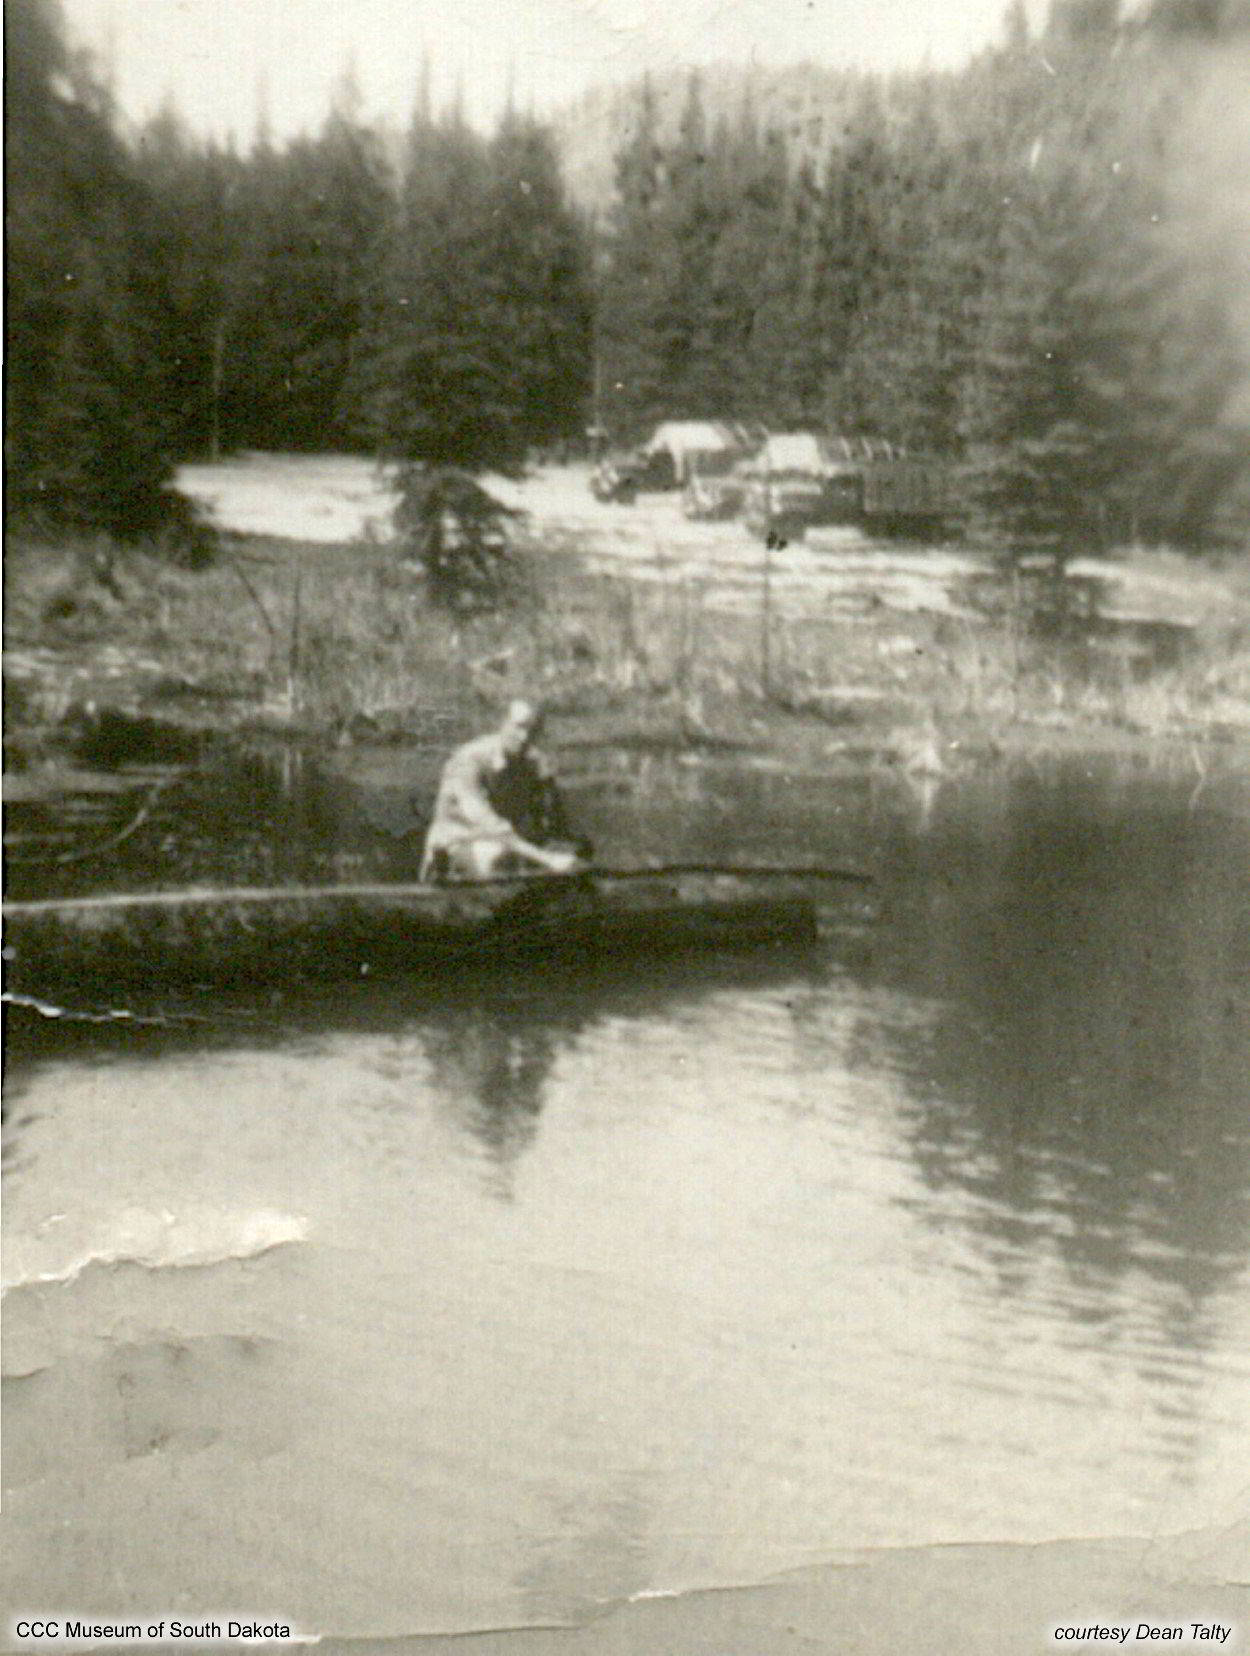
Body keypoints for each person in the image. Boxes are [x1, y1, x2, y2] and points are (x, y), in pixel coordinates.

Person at [419, 700, 589, 881]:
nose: (524, 737)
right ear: (503, 723)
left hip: (512, 845)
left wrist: (573, 844)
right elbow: (488, 824)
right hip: (459, 844)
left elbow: (556, 820)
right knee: (500, 857)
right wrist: (546, 858)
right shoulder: (469, 760)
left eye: (533, 731)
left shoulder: (534, 763)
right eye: (519, 727)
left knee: (572, 853)